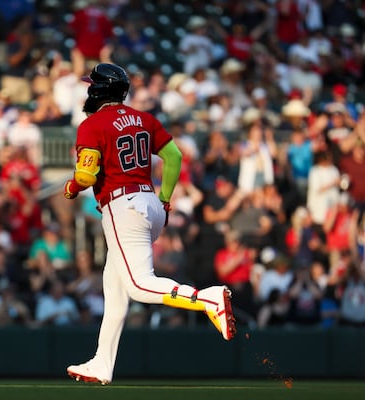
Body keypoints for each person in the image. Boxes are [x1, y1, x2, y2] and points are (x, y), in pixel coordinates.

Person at [63, 63, 236, 385]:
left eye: (92, 85)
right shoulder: (144, 118)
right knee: (114, 289)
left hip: (121, 205)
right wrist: (166, 200)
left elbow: (86, 176)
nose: (88, 89)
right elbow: (175, 157)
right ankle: (102, 363)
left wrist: (72, 187)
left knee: (139, 285)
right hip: (149, 202)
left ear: (98, 90)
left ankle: (207, 299)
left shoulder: (92, 124)